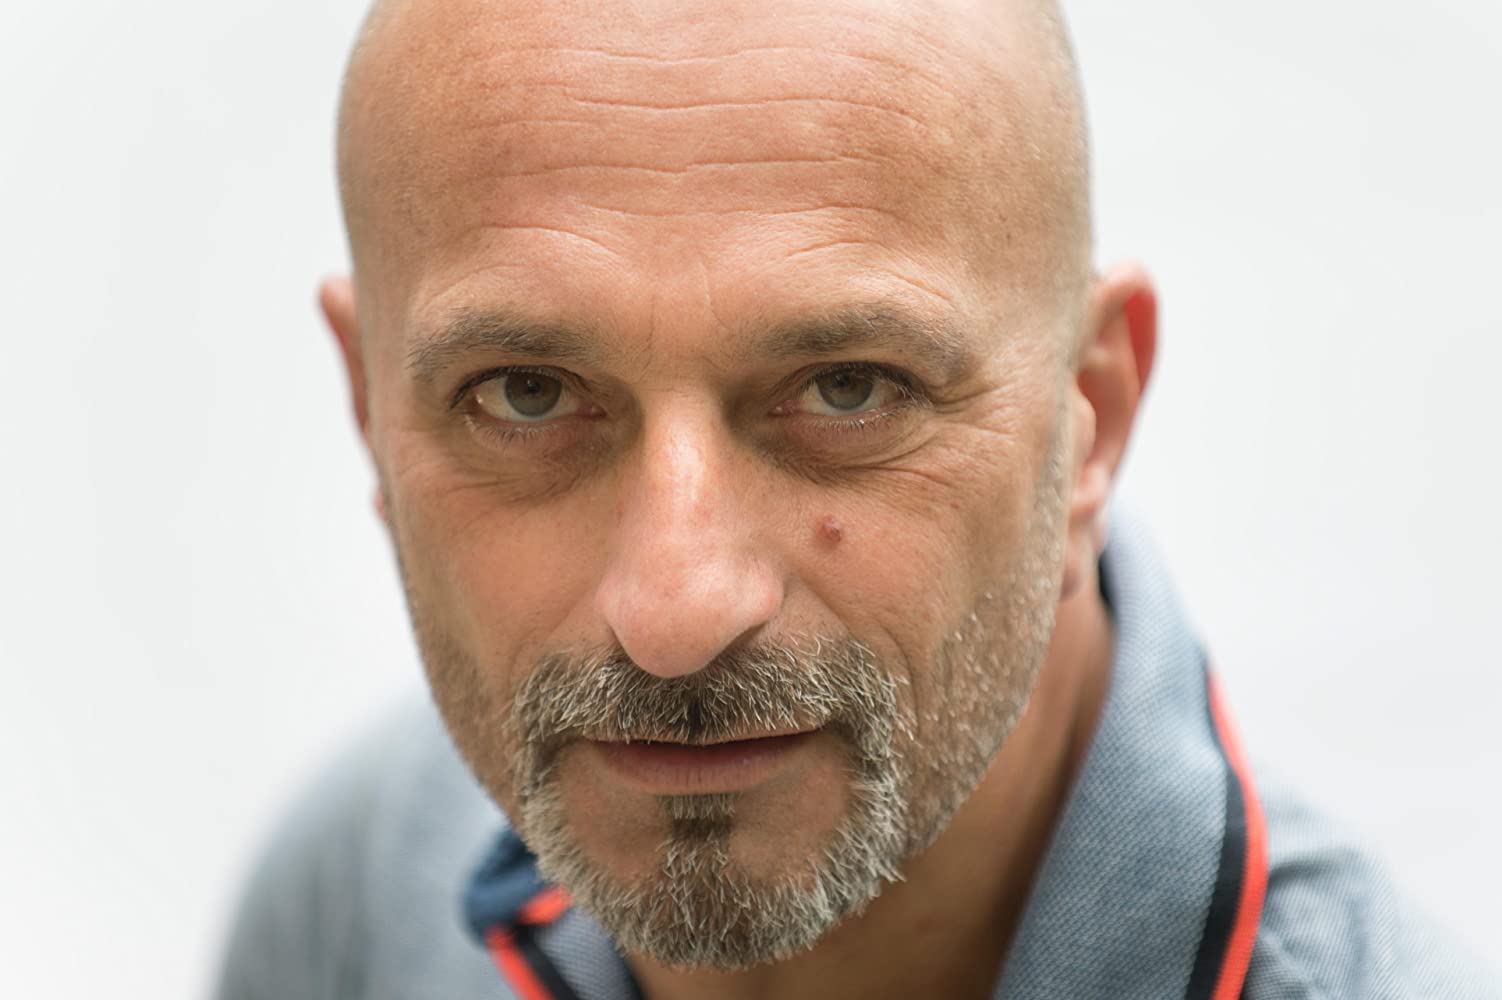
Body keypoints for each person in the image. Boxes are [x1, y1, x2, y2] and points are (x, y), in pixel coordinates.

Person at [215, 0, 1500, 997]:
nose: (674, 612)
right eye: (528, 394)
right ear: (368, 408)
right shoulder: (363, 884)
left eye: (846, 388)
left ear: (1091, 415)